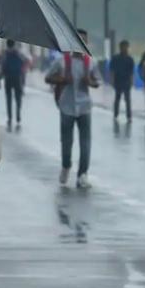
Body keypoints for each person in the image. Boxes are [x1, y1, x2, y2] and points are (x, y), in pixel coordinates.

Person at [46, 29, 100, 188]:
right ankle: (66, 165)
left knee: (85, 142)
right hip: (67, 106)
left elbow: (97, 82)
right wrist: (62, 78)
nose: (81, 44)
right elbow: (48, 77)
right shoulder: (62, 61)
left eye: (84, 41)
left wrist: (89, 81)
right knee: (66, 141)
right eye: (78, 40)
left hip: (84, 106)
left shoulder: (91, 62)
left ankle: (83, 173)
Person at [1, 39, 27, 131]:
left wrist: (0, 78)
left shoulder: (5, 53)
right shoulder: (19, 53)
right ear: (14, 44)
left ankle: (10, 118)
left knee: (8, 98)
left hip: (8, 78)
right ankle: (18, 116)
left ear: (7, 44)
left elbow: (2, 66)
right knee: (18, 98)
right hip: (17, 78)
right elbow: (25, 63)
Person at [109, 40, 135, 122]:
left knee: (128, 100)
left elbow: (131, 72)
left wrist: (131, 81)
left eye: (126, 47)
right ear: (120, 47)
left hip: (126, 81)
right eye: (123, 46)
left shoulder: (130, 59)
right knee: (117, 98)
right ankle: (116, 114)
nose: (124, 48)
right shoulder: (115, 58)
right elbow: (112, 70)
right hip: (118, 80)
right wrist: (112, 80)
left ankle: (129, 116)